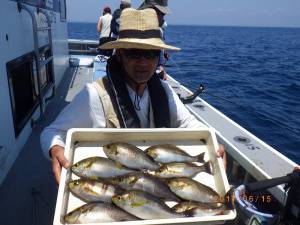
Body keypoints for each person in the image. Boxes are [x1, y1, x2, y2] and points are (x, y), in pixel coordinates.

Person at [41, 8, 225, 183]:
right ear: (120, 55)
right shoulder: (95, 95)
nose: (143, 63)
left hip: (158, 184)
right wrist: (56, 149)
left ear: (159, 57)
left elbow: (188, 124)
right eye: (134, 53)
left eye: (151, 53)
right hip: (118, 189)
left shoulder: (164, 90)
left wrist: (212, 146)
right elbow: (52, 133)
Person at [139, 0, 171, 80]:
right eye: (162, 14)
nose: (163, 17)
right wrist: (161, 68)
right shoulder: (158, 31)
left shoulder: (129, 28)